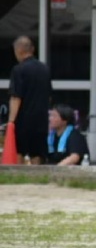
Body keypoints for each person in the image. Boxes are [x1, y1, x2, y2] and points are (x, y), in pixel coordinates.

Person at [7, 36, 52, 165]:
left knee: (19, 151)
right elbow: (49, 96)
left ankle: (19, 174)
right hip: (41, 119)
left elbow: (16, 97)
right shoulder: (45, 69)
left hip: (23, 120)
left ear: (18, 50)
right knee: (37, 153)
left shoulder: (18, 70)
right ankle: (38, 175)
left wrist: (11, 121)